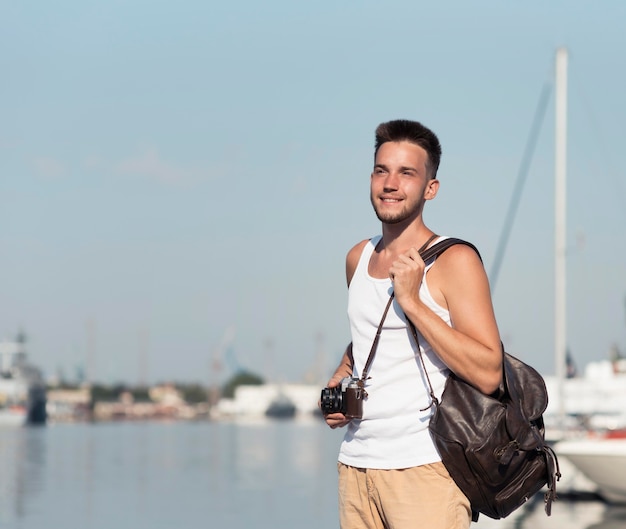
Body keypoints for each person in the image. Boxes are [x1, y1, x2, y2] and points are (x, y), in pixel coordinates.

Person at [323, 119, 503, 529]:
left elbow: (489, 372)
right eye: (381, 170)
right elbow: (370, 337)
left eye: (407, 173)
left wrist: (413, 301)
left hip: (426, 469)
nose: (390, 183)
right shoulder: (358, 257)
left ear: (430, 188)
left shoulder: (455, 260)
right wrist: (342, 372)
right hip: (356, 468)